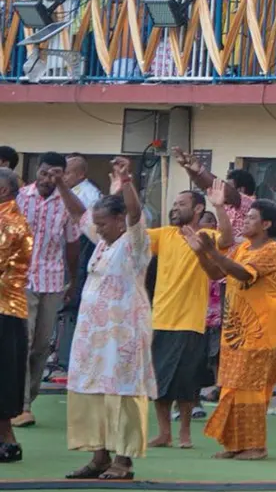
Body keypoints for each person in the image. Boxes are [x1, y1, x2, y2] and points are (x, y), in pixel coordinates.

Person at [63, 158, 154, 481]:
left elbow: (135, 212)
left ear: (119, 220)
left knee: (123, 394)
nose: (97, 228)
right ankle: (99, 456)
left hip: (124, 334)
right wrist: (61, 183)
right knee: (94, 393)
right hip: (93, 336)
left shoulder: (134, 242)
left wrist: (127, 182)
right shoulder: (104, 242)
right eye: (97, 224)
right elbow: (78, 213)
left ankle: (123, 460)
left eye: (103, 223)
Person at [186, 183, 276, 460]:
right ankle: (236, 445)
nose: (246, 221)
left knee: (251, 388)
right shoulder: (243, 249)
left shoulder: (271, 250)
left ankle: (255, 447)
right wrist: (199, 253)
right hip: (236, 330)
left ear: (266, 224)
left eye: (251, 217)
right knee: (231, 386)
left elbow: (242, 274)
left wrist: (213, 251)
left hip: (262, 329)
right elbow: (217, 272)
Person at [16, 152, 80, 428]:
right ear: (37, 173)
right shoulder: (20, 198)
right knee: (23, 341)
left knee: (41, 346)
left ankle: (29, 398)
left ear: (63, 175)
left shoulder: (67, 204)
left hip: (53, 280)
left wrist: (73, 280)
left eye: (54, 174)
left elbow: (72, 245)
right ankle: (21, 405)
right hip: (21, 281)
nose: (47, 179)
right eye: (43, 173)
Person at [146, 185, 212, 449]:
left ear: (197, 209)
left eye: (181, 203)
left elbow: (229, 238)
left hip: (190, 321)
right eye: (174, 203)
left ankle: (185, 433)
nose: (175, 208)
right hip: (160, 318)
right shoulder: (163, 235)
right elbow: (133, 234)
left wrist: (219, 205)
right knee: (159, 381)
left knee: (186, 382)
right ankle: (164, 433)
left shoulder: (207, 235)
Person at [0, 168, 29, 465]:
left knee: (4, 375)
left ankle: (7, 439)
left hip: (4, 308)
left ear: (4, 191)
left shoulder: (11, 223)